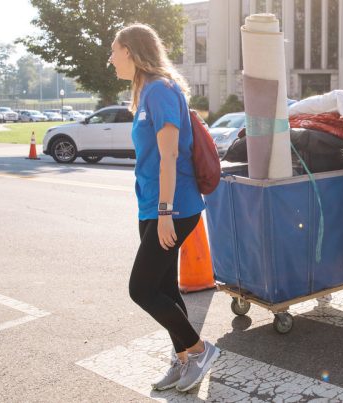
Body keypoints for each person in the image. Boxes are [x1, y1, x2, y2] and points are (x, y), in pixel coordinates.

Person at [109, 23, 220, 392]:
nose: (110, 59)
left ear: (131, 51)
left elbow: (170, 155)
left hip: (174, 206)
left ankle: (200, 350)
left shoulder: (160, 91)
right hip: (152, 206)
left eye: (114, 51)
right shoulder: (145, 94)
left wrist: (165, 211)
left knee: (140, 289)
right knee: (165, 287)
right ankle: (183, 360)